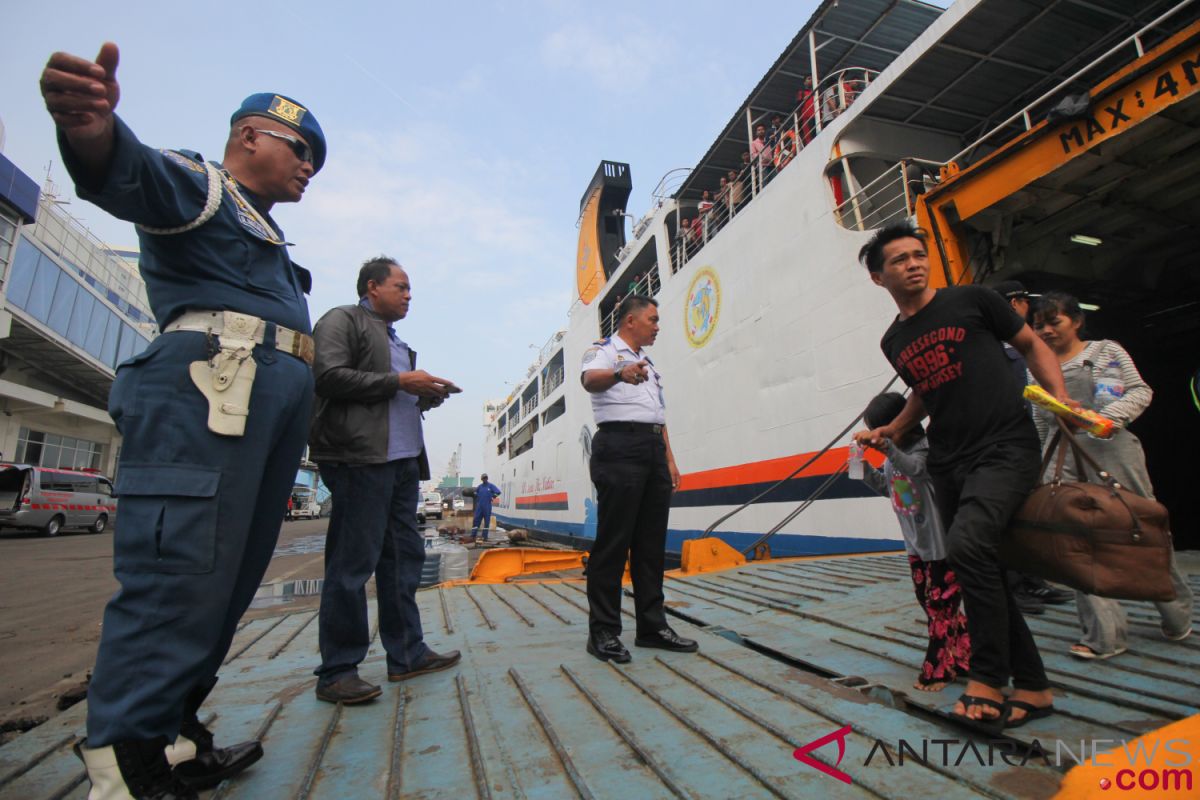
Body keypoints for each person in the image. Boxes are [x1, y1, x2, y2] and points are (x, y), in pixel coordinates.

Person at [43, 42, 325, 797]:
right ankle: (122, 756)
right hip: (207, 399)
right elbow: (124, 169)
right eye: (301, 151)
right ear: (249, 138)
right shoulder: (200, 184)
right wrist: (91, 127)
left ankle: (171, 731)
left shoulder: (263, 226)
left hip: (253, 413)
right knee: (178, 574)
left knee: (224, 584)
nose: (308, 169)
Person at [855, 221, 1070, 733]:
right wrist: (894, 428)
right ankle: (1035, 688)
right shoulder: (894, 340)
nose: (914, 263)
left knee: (971, 547)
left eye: (918, 254)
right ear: (878, 277)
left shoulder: (973, 300)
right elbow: (927, 390)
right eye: (900, 259)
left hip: (1004, 447)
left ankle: (987, 679)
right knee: (982, 567)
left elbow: (1033, 345)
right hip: (948, 461)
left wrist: (1059, 400)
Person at [309, 257, 462, 704]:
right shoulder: (342, 320)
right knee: (352, 564)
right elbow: (328, 376)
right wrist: (400, 380)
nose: (409, 295)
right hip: (361, 459)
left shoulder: (396, 341)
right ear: (372, 287)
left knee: (402, 560)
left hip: (401, 463)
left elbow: (389, 394)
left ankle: (407, 653)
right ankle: (337, 670)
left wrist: (424, 394)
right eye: (402, 286)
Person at [1029, 291, 1194, 658]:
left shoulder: (1105, 352)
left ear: (1076, 321)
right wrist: (1044, 467)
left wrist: (1101, 418)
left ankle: (1177, 616)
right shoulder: (1035, 365)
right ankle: (1104, 636)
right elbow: (1042, 420)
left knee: (1143, 530)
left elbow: (1139, 391)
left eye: (1053, 322)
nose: (1046, 331)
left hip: (1113, 450)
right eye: (1039, 325)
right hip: (1066, 458)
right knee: (1078, 545)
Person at [580, 295, 696, 662]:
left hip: (651, 452)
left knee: (650, 545)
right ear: (631, 321)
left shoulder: (649, 365)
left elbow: (656, 416)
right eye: (653, 319)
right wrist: (619, 373)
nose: (657, 326)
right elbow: (588, 381)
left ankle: (652, 626)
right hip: (619, 447)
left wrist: (670, 459)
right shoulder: (605, 352)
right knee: (613, 543)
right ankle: (603, 631)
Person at [858, 392, 970, 692]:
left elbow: (916, 470)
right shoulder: (893, 460)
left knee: (940, 606)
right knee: (928, 601)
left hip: (940, 545)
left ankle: (938, 670)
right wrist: (863, 470)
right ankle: (965, 653)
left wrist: (888, 448)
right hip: (916, 545)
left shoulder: (927, 450)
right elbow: (888, 487)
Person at [990, 281, 1073, 614]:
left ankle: (1032, 580)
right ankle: (1014, 587)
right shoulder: (999, 347)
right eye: (1026, 302)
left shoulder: (1022, 346)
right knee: (1007, 519)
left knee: (1028, 517)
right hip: (1006, 445)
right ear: (1015, 303)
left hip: (1028, 442)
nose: (1034, 313)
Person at [471, 473, 502, 541]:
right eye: (483, 478)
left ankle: (484, 537)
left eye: (486, 478)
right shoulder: (479, 487)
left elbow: (498, 492)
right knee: (476, 520)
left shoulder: (491, 486)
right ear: (482, 479)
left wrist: (493, 496)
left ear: (487, 478)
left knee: (487, 522)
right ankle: (473, 535)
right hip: (479, 507)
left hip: (487, 506)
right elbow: (475, 493)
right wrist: (475, 494)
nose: (485, 479)